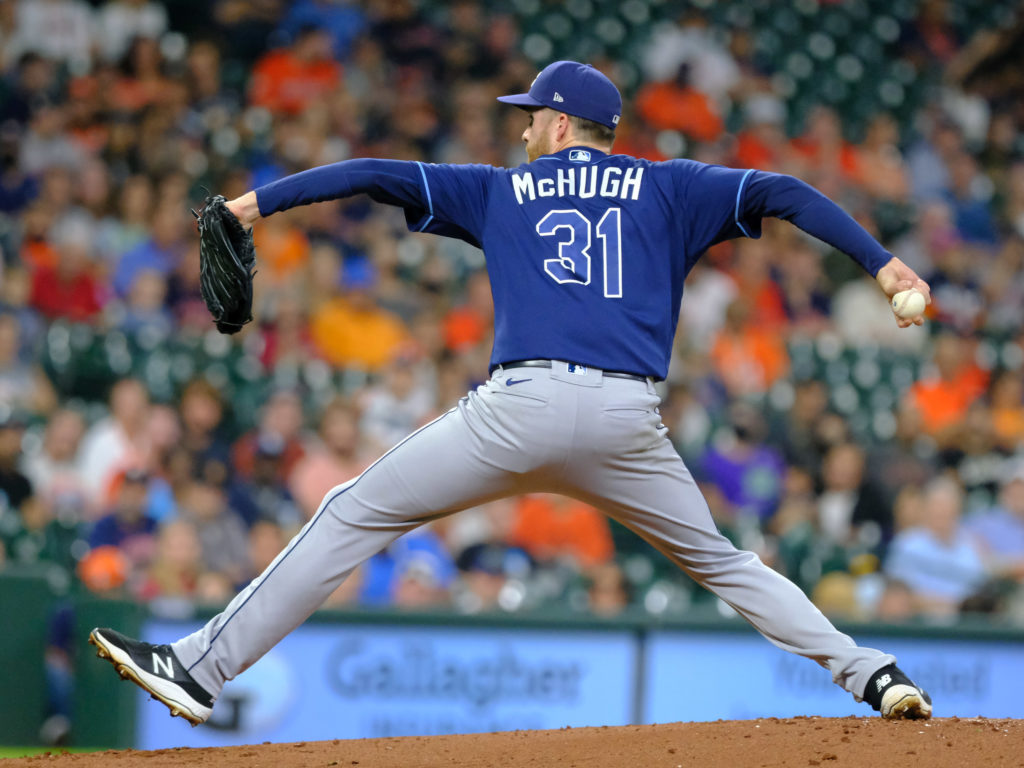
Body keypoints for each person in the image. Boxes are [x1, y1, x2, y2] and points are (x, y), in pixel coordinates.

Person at [89, 60, 933, 725]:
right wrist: (883, 264)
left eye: (530, 114)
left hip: (519, 410)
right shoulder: (672, 183)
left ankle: (199, 670)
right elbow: (781, 191)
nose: (524, 126)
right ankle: (874, 673)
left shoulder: (502, 188)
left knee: (353, 511)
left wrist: (252, 205)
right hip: (626, 422)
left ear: (560, 122)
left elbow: (371, 172)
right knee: (725, 563)